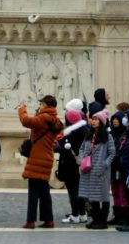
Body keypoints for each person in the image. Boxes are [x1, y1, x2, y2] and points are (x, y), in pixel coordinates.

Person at [18, 95, 61, 229]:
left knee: (33, 192)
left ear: (47, 105)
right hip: (47, 157)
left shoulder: (44, 118)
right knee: (44, 192)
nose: (40, 106)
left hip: (37, 158)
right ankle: (48, 220)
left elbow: (26, 121)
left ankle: (30, 221)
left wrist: (22, 109)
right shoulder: (54, 119)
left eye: (41, 104)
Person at [78, 109, 115, 229]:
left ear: (102, 122)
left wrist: (104, 164)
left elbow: (112, 153)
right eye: (93, 119)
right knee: (91, 196)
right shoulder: (88, 135)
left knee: (103, 196)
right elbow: (82, 149)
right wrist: (83, 158)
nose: (93, 122)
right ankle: (95, 219)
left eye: (96, 120)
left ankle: (102, 221)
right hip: (88, 170)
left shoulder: (107, 136)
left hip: (101, 171)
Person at [57, 108, 89, 224]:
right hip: (80, 164)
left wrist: (57, 148)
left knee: (73, 191)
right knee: (79, 190)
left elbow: (67, 148)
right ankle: (82, 214)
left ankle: (75, 215)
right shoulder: (84, 129)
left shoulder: (73, 132)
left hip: (71, 164)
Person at [108, 111, 129, 226]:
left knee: (122, 192)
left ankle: (124, 216)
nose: (115, 121)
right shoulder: (112, 133)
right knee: (115, 191)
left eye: (117, 119)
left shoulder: (125, 134)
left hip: (121, 167)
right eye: (113, 119)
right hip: (113, 166)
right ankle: (117, 215)